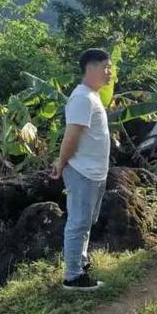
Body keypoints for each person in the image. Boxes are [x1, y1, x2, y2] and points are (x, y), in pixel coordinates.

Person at [50, 48, 112, 291]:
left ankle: (80, 264)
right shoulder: (81, 98)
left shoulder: (92, 96)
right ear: (90, 67)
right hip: (82, 172)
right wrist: (61, 164)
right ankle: (72, 277)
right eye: (105, 67)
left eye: (110, 68)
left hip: (94, 172)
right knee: (78, 223)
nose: (109, 73)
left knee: (85, 222)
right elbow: (71, 137)